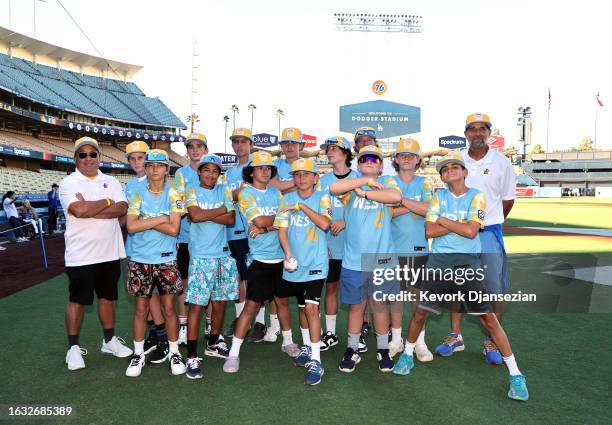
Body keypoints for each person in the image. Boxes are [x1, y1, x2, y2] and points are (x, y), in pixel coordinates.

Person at [393, 152, 528, 402]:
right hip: (439, 263)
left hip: (468, 264)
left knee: (488, 319)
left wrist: (444, 220)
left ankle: (516, 374)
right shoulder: (438, 196)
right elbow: (430, 231)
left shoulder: (477, 196)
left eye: (456, 167)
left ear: (465, 172)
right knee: (420, 313)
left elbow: (470, 231)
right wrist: (457, 223)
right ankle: (407, 355)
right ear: (441, 176)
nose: (450, 170)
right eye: (445, 169)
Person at [435, 113, 517, 365]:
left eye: (483, 128)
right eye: (473, 129)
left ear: (489, 132)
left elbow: (507, 200)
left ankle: (491, 340)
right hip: (459, 232)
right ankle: (455, 336)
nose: (478, 133)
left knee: (494, 289)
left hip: (488, 231)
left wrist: (484, 224)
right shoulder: (457, 160)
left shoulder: (502, 162)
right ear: (466, 133)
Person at [223, 151, 301, 373]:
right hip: (260, 259)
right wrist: (275, 221)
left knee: (283, 302)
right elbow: (259, 220)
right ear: (251, 172)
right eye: (260, 168)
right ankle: (233, 353)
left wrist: (267, 226)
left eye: (268, 168)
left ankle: (288, 343)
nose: (265, 171)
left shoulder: (277, 193)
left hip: (282, 258)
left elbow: (278, 221)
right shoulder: (246, 194)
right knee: (251, 306)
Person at [59, 136, 132, 371]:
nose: (88, 158)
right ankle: (73, 348)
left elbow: (121, 209)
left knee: (108, 298)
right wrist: (106, 202)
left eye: (93, 154)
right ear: (75, 158)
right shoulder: (68, 183)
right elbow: (79, 210)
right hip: (81, 254)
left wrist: (95, 206)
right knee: (77, 300)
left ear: (99, 156)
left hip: (109, 252)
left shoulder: (110, 180)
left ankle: (109, 340)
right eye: (83, 154)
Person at [330, 145, 402, 373]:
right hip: (354, 260)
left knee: (379, 307)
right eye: (364, 159)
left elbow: (396, 197)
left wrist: (366, 193)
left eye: (374, 160)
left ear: (381, 166)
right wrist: (364, 184)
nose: (369, 162)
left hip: (382, 259)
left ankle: (382, 350)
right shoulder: (353, 185)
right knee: (355, 308)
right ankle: (352, 349)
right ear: (359, 165)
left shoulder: (389, 183)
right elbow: (334, 187)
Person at [124, 149, 186, 377]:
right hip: (140, 258)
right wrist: (161, 217)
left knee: (169, 308)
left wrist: (146, 220)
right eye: (150, 165)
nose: (154, 169)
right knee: (141, 309)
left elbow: (174, 229)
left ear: (166, 169)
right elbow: (131, 226)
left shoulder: (175, 194)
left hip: (166, 259)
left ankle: (174, 351)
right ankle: (138, 354)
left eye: (159, 166)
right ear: (147, 169)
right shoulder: (137, 193)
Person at [274, 158, 332, 385]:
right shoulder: (286, 199)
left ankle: (317, 361)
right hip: (295, 264)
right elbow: (282, 232)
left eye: (306, 174)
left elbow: (325, 224)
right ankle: (308, 346)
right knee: (301, 307)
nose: (301, 178)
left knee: (311, 308)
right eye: (297, 174)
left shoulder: (322, 197)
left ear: (315, 178)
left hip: (316, 263)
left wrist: (302, 207)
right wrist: (288, 254)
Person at [184, 154, 239, 379]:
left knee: (220, 303)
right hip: (200, 257)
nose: (210, 174)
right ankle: (191, 356)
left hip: (223, 256)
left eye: (215, 171)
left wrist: (206, 215)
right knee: (196, 306)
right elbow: (195, 217)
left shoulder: (223, 190)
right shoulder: (191, 190)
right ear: (199, 171)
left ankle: (214, 343)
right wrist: (219, 211)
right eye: (206, 170)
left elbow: (232, 220)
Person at [221, 128, 273, 342]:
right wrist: (237, 193)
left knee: (256, 278)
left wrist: (238, 194)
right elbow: (227, 198)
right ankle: (241, 317)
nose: (240, 145)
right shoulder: (230, 172)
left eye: (244, 141)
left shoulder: (257, 168)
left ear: (250, 144)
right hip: (232, 232)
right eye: (236, 142)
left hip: (254, 232)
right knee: (238, 277)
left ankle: (260, 322)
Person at [124, 141, 169, 364]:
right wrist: (155, 219)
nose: (137, 162)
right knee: (146, 296)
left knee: (160, 298)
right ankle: (154, 335)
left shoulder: (163, 186)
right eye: (132, 159)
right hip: (137, 248)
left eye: (141, 158)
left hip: (162, 249)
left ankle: (162, 337)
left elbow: (171, 222)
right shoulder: (131, 186)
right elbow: (129, 221)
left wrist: (146, 220)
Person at [389, 138, 434, 362]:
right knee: (394, 297)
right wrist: (412, 206)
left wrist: (400, 202)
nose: (406, 158)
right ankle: (396, 340)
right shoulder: (388, 180)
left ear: (418, 160)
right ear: (395, 159)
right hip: (391, 248)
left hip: (418, 249)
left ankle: (419, 342)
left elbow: (429, 209)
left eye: (411, 155)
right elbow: (385, 213)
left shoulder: (424, 182)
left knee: (419, 299)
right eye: (402, 154)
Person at [317, 136, 358, 351]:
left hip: (355, 245)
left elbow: (367, 213)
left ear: (346, 153)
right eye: (328, 149)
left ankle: (356, 334)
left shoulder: (360, 178)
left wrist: (345, 220)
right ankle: (330, 333)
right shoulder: (323, 181)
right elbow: (317, 212)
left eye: (334, 148)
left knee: (357, 292)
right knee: (331, 288)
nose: (329, 152)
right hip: (331, 243)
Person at [174, 133, 209, 345]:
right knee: (184, 284)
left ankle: (211, 326)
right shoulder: (181, 173)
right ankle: (184, 326)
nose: (194, 150)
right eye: (191, 147)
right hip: (187, 237)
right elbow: (180, 201)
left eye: (199, 146)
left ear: (205, 149)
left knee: (209, 285)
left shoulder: (213, 169)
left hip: (209, 238)